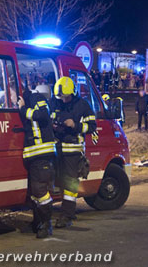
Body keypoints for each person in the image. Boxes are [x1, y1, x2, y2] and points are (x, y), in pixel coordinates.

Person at [49, 77, 96, 228]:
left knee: (70, 184)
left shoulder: (82, 105)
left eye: (65, 97)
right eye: (60, 97)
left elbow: (92, 126)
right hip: (56, 150)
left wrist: (75, 125)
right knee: (59, 182)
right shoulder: (54, 101)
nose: (62, 100)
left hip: (72, 150)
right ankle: (69, 210)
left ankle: (66, 216)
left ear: (73, 93)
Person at [18, 89, 57, 238]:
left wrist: (23, 109)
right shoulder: (28, 100)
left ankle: (47, 225)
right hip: (33, 156)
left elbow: (42, 115)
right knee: (34, 193)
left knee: (40, 192)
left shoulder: (36, 97)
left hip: (41, 155)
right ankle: (38, 223)